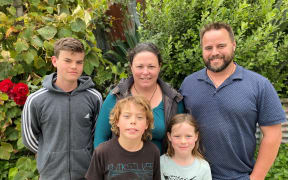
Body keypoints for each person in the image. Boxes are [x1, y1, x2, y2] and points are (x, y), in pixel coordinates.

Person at [180, 22, 287, 180]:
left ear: (234, 45)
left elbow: (273, 134)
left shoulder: (259, 85)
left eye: (221, 46)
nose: (214, 52)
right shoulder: (188, 84)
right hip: (194, 176)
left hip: (239, 177)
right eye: (208, 48)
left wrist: (256, 178)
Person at [21, 37, 102, 180]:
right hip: (50, 175)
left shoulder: (94, 97)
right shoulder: (36, 100)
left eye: (79, 62)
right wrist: (50, 154)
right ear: (54, 61)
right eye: (68, 61)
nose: (73, 66)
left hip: (87, 174)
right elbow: (29, 138)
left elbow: (97, 134)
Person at [94, 42, 184, 154]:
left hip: (162, 169)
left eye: (151, 66)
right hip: (121, 168)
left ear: (159, 67)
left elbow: (182, 139)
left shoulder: (173, 100)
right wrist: (106, 167)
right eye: (140, 66)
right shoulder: (117, 96)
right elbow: (100, 138)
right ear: (131, 67)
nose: (145, 72)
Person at [86, 96, 161, 179]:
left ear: (147, 124)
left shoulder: (153, 152)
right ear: (117, 121)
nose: (133, 121)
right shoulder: (102, 152)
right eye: (127, 116)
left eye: (139, 117)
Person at [160, 114, 212, 180]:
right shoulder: (160, 163)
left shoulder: (203, 167)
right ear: (169, 136)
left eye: (188, 136)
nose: (183, 141)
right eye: (177, 136)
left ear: (196, 136)